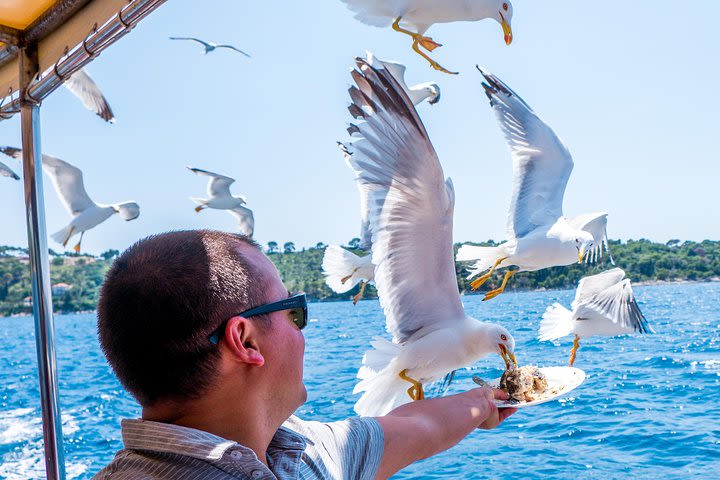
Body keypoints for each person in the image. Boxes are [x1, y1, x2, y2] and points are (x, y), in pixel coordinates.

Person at [93, 230, 515, 479]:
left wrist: (486, 402)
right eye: (293, 311)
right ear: (246, 341)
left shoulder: (300, 450)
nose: (303, 332)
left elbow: (414, 424)